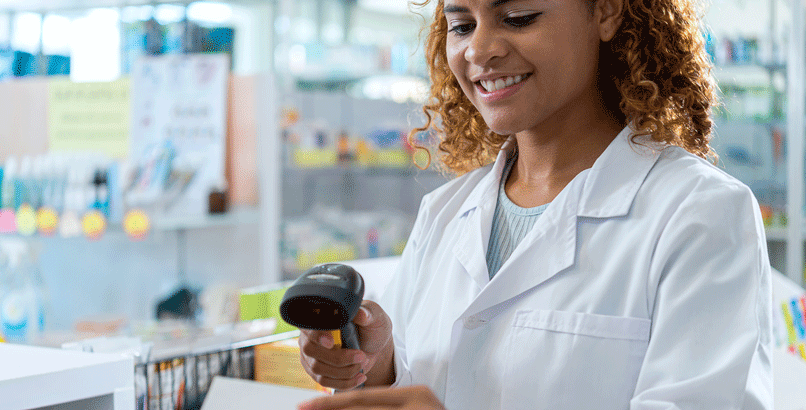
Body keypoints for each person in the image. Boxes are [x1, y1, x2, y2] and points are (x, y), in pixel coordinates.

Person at [297, 0, 773, 408]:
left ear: (605, 11)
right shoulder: (445, 212)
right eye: (462, 25)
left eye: (518, 17)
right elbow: (424, 376)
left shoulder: (700, 213)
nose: (480, 50)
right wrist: (375, 362)